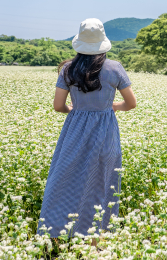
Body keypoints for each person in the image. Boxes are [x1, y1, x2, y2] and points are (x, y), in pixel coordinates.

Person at [38, 18, 136, 239]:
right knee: (102, 182)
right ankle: (95, 239)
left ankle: (57, 232)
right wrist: (109, 106)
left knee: (65, 181)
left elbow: (58, 106)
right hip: (105, 131)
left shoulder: (67, 69)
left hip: (75, 131)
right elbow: (131, 104)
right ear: (102, 42)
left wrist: (75, 109)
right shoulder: (115, 68)